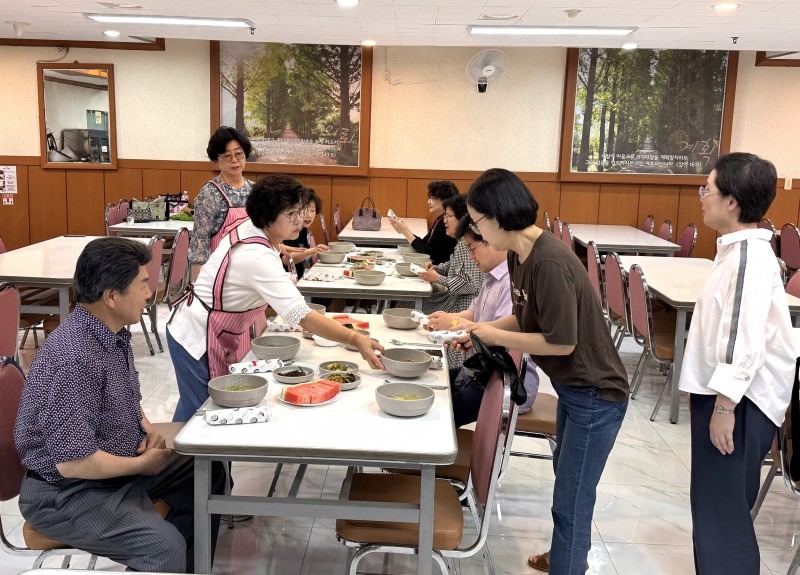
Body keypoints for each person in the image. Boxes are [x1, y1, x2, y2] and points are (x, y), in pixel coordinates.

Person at [452, 168, 629, 575]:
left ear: (497, 216)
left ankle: (567, 564)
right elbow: (523, 317)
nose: (476, 231)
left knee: (572, 496)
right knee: (568, 486)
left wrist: (493, 338)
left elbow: (561, 341)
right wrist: (480, 331)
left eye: (477, 221)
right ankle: (567, 556)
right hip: (574, 389)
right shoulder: (521, 253)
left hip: (596, 393)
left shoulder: (548, 262)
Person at [14, 237, 225, 573]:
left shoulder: (111, 333)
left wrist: (148, 432)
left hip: (111, 468)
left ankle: (185, 567)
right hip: (65, 492)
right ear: (111, 296)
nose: (150, 292)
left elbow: (125, 398)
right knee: (163, 547)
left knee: (208, 470)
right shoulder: (74, 357)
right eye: (143, 283)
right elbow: (74, 464)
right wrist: (144, 466)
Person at [168, 174, 384, 422]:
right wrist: (355, 339)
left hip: (208, 328)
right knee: (201, 420)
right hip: (196, 337)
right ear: (268, 217)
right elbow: (302, 316)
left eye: (300, 210)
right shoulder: (256, 257)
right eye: (290, 214)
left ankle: (176, 456)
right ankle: (182, 459)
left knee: (192, 413)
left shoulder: (255, 229)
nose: (300, 220)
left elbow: (278, 249)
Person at [678, 153, 795, 575]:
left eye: (706, 189)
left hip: (738, 402)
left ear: (732, 202)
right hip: (731, 398)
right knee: (719, 509)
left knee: (720, 516)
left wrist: (724, 407)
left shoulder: (748, 258)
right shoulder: (737, 252)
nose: (702, 198)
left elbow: (742, 341)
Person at [425, 216, 538, 427]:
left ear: (491, 240)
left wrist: (462, 332)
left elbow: (501, 339)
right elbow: (476, 311)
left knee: (436, 414)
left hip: (504, 382)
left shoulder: (512, 281)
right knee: (430, 384)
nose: (470, 256)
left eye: (472, 248)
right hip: (479, 371)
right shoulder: (492, 275)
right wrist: (451, 319)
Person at [188, 126, 254, 277]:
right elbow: (200, 241)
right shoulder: (210, 193)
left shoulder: (255, 190)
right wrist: (198, 285)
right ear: (216, 159)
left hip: (251, 271)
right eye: (226, 156)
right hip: (220, 272)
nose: (234, 160)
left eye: (238, 154)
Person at [388, 180, 458, 265]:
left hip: (439, 269)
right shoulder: (440, 219)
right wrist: (403, 229)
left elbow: (426, 252)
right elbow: (424, 244)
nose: (428, 202)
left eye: (432, 198)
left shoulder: (445, 223)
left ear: (444, 200)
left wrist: (405, 231)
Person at [282, 188, 329, 280]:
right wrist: (310, 251)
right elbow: (285, 259)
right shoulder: (289, 231)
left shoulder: (303, 229)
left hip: (300, 279)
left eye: (312, 210)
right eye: (305, 210)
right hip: (287, 281)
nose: (309, 215)